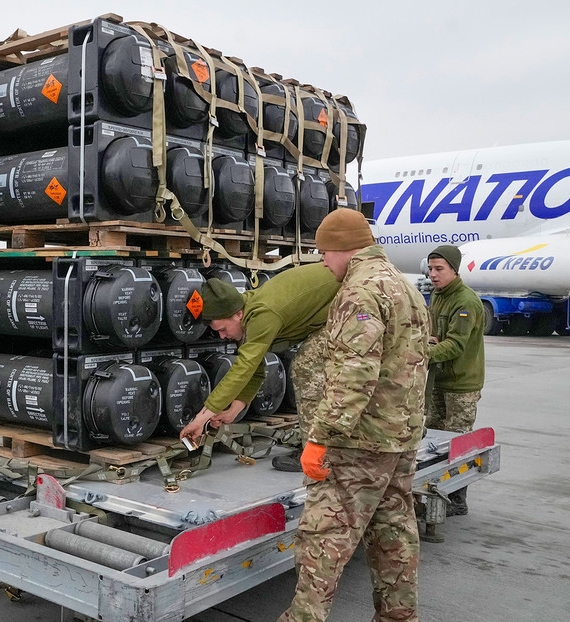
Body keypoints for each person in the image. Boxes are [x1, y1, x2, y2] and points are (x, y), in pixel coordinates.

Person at [279, 208, 430, 622]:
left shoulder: (359, 291)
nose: (323, 262)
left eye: (323, 253)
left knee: (322, 537)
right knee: (394, 532)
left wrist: (319, 436)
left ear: (341, 248)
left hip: (359, 442)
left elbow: (353, 373)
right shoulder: (406, 286)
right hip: (401, 436)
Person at [178, 264, 340, 474]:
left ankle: (317, 455)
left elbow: (244, 368)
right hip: (333, 309)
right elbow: (255, 368)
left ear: (237, 314)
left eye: (223, 329)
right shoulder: (246, 315)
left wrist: (201, 418)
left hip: (353, 300)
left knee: (306, 367)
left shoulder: (263, 314)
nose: (222, 336)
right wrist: (232, 412)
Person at [425, 244, 485, 516]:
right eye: (430, 268)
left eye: (439, 269)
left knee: (457, 444)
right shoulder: (438, 295)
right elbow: (437, 335)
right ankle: (435, 491)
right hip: (439, 379)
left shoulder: (466, 301)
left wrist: (423, 353)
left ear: (454, 270)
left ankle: (457, 499)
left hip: (461, 384)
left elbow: (455, 344)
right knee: (434, 441)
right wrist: (430, 341)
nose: (433, 275)